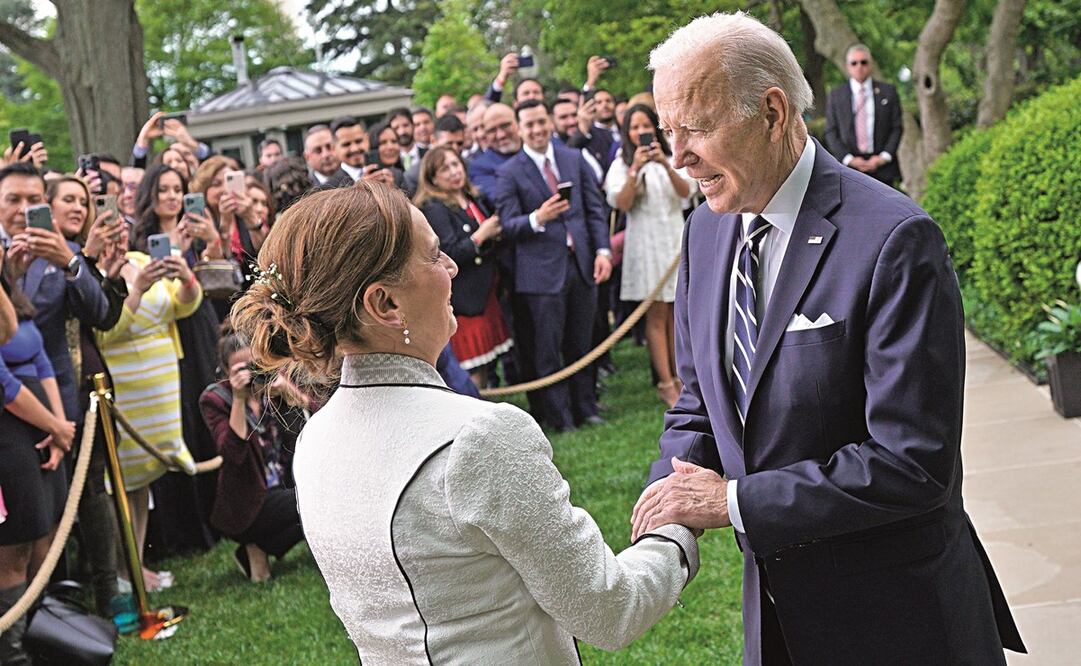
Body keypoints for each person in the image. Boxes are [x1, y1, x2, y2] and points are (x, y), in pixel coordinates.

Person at [630, 12, 1025, 664]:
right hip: (778, 620)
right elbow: (699, 404)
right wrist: (666, 513)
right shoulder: (704, 230)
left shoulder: (893, 238)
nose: (679, 156)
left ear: (773, 112)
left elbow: (911, 462)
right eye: (666, 132)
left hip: (899, 619)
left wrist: (731, 502)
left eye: (696, 128)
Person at [229, 181, 698, 662]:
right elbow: (609, 608)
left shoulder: (315, 440)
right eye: (433, 256)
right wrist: (676, 530)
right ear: (384, 304)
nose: (452, 266)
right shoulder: (479, 439)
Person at [98, 201, 201, 590]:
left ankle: (136, 564)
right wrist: (136, 289)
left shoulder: (142, 258)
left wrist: (187, 279)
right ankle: (120, 573)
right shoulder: (93, 274)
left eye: (120, 227)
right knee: (117, 484)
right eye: (107, 230)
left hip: (160, 382)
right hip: (122, 385)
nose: (117, 236)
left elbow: (181, 307)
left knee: (141, 481)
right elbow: (106, 331)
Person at [493, 100, 612, 432]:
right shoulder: (510, 172)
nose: (537, 129)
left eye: (541, 122)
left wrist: (602, 250)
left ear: (550, 123)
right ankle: (560, 418)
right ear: (519, 129)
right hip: (540, 277)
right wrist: (537, 218)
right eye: (529, 124)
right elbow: (507, 224)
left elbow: (594, 209)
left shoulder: (573, 159)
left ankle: (587, 407)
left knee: (582, 342)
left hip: (582, 264)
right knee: (548, 351)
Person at [0, 255, 73, 666]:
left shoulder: (12, 292)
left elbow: (42, 358)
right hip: (9, 435)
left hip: (44, 431)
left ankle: (42, 638)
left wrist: (60, 427)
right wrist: (55, 425)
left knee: (46, 533)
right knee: (16, 545)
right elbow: (3, 382)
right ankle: (12, 654)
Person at [605, 104, 696, 407]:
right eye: (635, 127)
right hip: (645, 242)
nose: (641, 132)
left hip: (674, 236)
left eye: (646, 125)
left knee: (676, 311)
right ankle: (665, 381)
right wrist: (636, 170)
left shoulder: (672, 154)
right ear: (627, 133)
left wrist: (665, 163)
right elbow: (621, 202)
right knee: (656, 313)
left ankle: (681, 376)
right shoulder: (621, 163)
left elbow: (687, 193)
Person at [198, 329, 306, 583]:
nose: (250, 374)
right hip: (247, 500)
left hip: (281, 485)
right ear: (225, 372)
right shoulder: (215, 399)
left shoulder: (273, 386)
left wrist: (288, 391)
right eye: (240, 369)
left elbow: (314, 412)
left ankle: (257, 547)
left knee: (315, 500)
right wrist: (238, 399)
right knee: (310, 500)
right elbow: (232, 453)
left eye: (254, 365)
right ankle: (253, 541)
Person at [414, 146, 512, 388]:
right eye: (445, 168)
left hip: (487, 292)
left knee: (488, 364)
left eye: (456, 164)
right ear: (432, 177)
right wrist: (481, 235)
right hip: (465, 300)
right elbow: (450, 252)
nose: (454, 172)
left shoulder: (472, 198)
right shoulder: (434, 208)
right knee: (472, 369)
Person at [824, 44, 903, 187]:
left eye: (864, 62)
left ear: (871, 64)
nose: (859, 66)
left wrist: (883, 157)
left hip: (883, 169)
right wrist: (848, 159)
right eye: (854, 63)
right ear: (848, 67)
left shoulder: (888, 92)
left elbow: (896, 127)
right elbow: (831, 131)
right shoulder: (836, 95)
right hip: (849, 170)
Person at [403, 114, 467, 197]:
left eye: (459, 143)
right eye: (448, 144)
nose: (455, 148)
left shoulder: (468, 165)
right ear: (433, 141)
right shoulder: (414, 176)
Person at [468, 103, 521, 199]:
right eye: (492, 130)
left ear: (518, 123)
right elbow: (501, 200)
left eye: (505, 125)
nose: (501, 135)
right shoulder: (480, 167)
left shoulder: (541, 147)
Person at [328, 116, 395, 189]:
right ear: (334, 148)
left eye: (358, 141)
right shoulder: (330, 188)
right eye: (346, 144)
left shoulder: (394, 175)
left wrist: (391, 190)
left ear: (367, 139)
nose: (355, 149)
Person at [366, 123, 406, 190]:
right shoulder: (360, 175)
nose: (390, 147)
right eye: (383, 142)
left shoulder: (399, 175)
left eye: (394, 141)